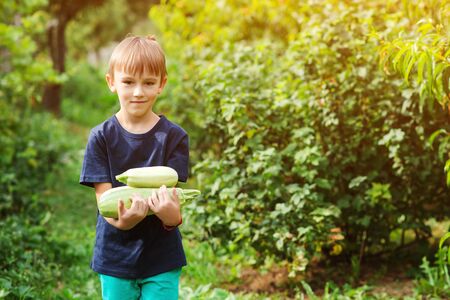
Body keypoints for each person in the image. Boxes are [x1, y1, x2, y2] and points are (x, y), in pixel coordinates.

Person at [79, 34, 189, 300]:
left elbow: (173, 210)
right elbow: (104, 202)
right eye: (128, 82)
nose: (138, 92)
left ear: (161, 84)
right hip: (115, 259)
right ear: (111, 82)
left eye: (148, 83)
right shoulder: (101, 137)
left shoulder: (174, 137)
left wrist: (172, 217)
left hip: (161, 258)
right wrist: (123, 222)